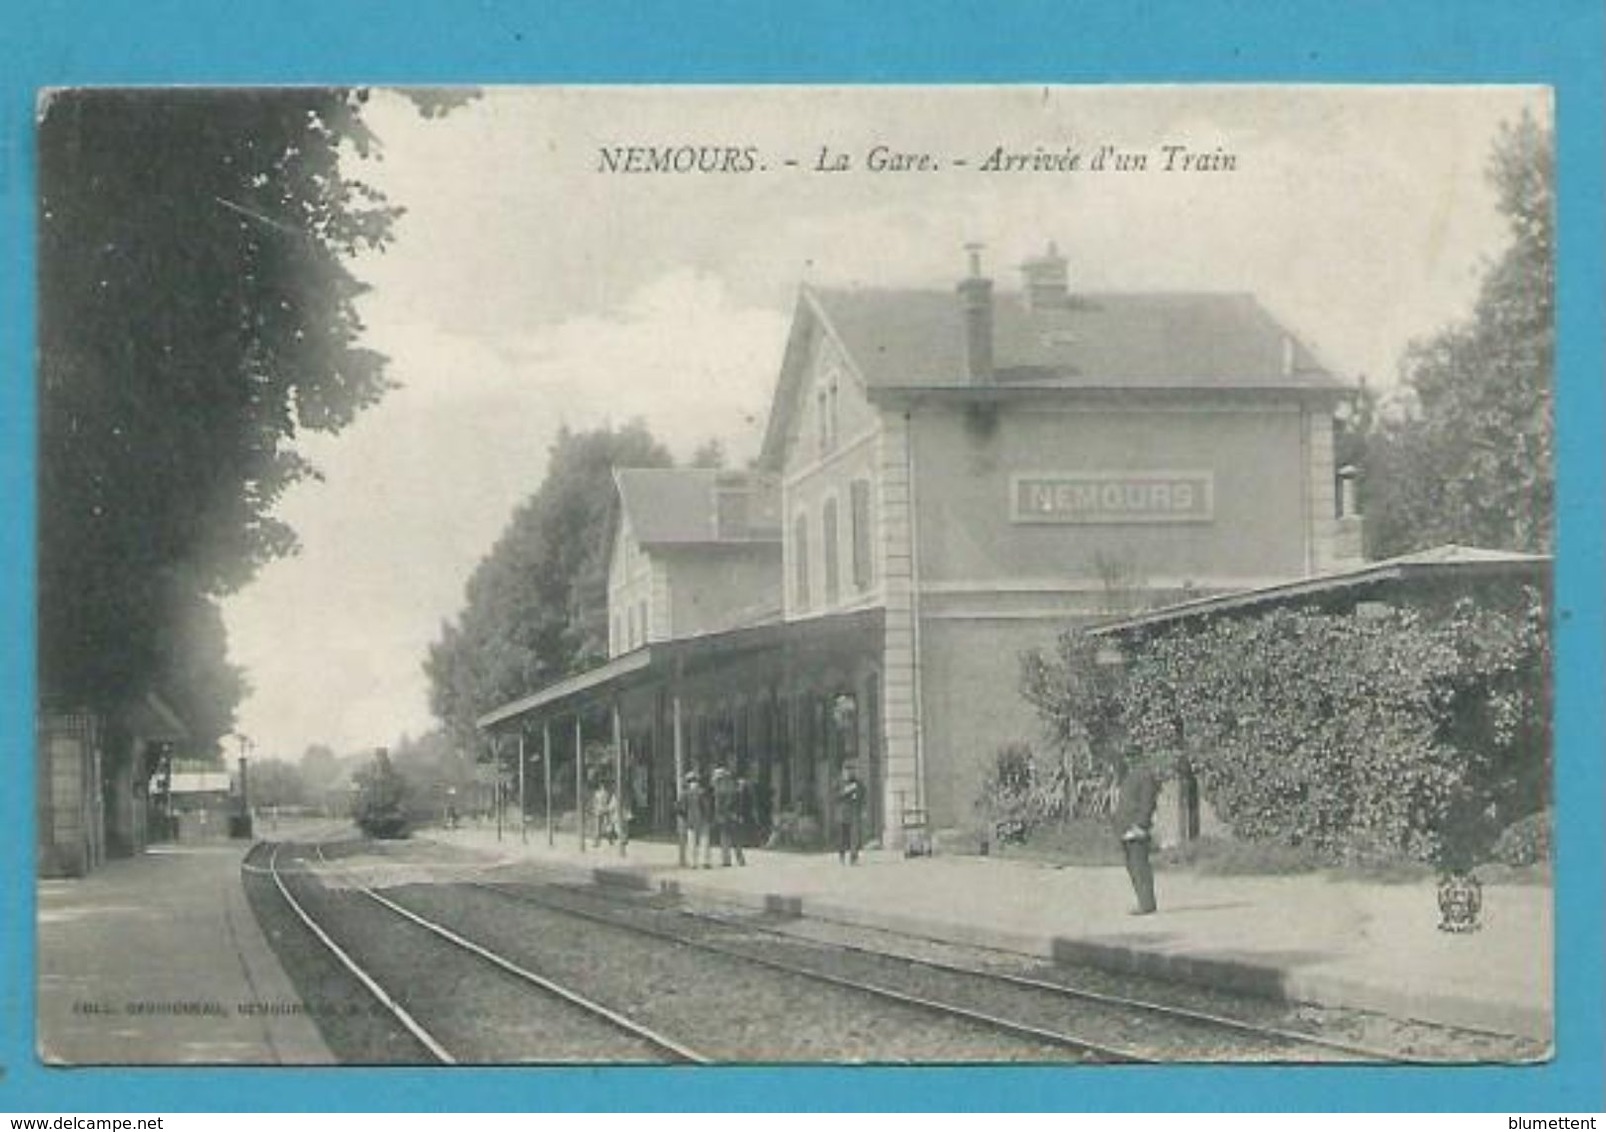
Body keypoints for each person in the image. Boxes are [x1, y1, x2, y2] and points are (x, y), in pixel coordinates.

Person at [1113, 760, 1160, 915]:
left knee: (1140, 866)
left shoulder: (1145, 776)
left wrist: (1141, 824)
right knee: (1132, 866)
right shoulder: (1128, 776)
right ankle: (1143, 901)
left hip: (1136, 828)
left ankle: (1147, 904)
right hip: (1126, 828)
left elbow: (1148, 803)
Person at [711, 766, 747, 867]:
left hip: (725, 816)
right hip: (733, 816)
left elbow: (719, 805)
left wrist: (719, 815)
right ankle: (740, 860)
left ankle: (726, 860)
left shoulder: (719, 789)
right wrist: (737, 814)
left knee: (725, 838)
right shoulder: (732, 787)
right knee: (736, 838)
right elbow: (738, 802)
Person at [676, 770, 711, 868]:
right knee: (705, 841)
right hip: (703, 820)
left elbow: (679, 808)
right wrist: (707, 817)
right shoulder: (702, 792)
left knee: (692, 842)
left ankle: (693, 863)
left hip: (690, 820)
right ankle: (705, 862)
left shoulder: (684, 793)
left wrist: (685, 817)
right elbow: (706, 807)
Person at [836, 763, 866, 865]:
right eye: (847, 770)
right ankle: (842, 855)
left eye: (851, 770)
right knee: (843, 837)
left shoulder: (858, 783)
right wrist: (846, 790)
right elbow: (835, 796)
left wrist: (863, 809)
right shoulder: (839, 783)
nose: (849, 773)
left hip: (854, 812)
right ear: (843, 772)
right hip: (843, 813)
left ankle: (853, 857)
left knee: (855, 836)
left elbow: (863, 796)